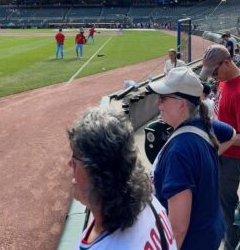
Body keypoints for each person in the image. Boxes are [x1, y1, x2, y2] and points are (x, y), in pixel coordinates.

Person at [68, 107, 177, 249]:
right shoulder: (149, 201)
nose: (69, 163)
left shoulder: (108, 245)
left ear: (98, 173)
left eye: (75, 158)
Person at [148, 67, 225, 249]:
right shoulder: (202, 126)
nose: (158, 104)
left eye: (163, 98)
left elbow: (178, 228)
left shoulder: (180, 151)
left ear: (182, 103)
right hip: (208, 237)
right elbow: (229, 134)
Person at [198, 44, 240, 249]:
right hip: (221, 152)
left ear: (227, 62)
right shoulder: (224, 81)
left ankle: (233, 245)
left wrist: (227, 140)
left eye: (215, 71)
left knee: (227, 206)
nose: (214, 77)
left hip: (231, 158)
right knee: (221, 202)